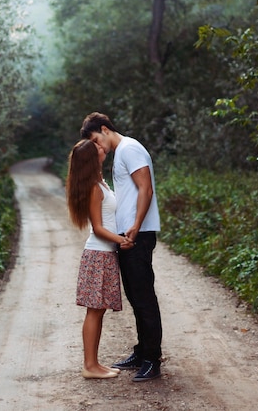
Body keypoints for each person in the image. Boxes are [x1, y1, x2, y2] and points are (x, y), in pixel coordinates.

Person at [80, 112, 163, 382]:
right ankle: (142, 352)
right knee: (136, 297)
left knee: (144, 298)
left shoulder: (130, 148)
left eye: (96, 139)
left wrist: (136, 225)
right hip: (127, 237)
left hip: (137, 234)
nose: (97, 147)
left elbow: (146, 189)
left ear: (105, 129)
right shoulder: (120, 154)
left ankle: (152, 360)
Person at [66, 139, 134, 379]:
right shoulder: (95, 188)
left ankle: (94, 363)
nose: (101, 147)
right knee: (94, 311)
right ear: (91, 159)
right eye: (97, 149)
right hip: (98, 254)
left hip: (105, 255)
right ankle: (89, 365)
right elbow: (97, 228)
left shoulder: (100, 183)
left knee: (99, 310)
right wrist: (120, 240)